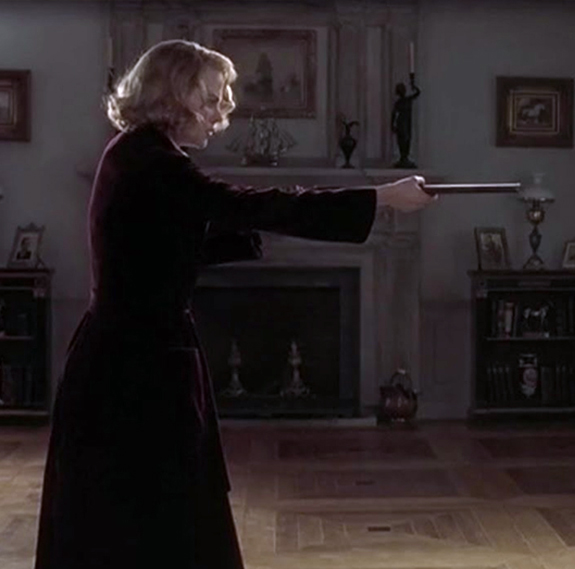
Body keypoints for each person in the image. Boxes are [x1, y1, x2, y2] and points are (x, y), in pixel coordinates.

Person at [33, 39, 434, 569]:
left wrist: (247, 234)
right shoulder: (155, 162)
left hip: (131, 356)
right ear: (173, 95)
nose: (222, 111)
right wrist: (381, 198)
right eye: (211, 98)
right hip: (136, 368)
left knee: (139, 515)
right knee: (151, 516)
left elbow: (156, 247)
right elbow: (246, 204)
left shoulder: (138, 153)